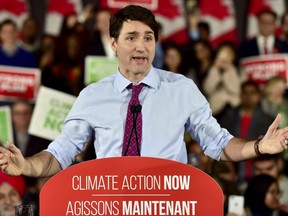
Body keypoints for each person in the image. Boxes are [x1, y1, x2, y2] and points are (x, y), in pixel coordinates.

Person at [0, 5, 287, 180]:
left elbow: (219, 144)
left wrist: (259, 147)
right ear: (113, 43)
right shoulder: (92, 96)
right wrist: (27, 166)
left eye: (148, 38)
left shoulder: (182, 89)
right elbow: (60, 154)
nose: (141, 46)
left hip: (168, 203)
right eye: (131, 37)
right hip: (112, 203)